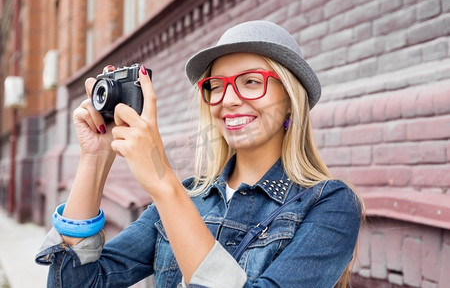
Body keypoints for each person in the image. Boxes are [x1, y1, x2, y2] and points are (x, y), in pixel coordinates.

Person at [36, 20, 363, 287]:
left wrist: (163, 182)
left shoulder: (328, 204)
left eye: (250, 82)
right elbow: (79, 283)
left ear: (291, 99)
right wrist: (95, 159)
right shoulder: (188, 195)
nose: (229, 99)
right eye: (217, 86)